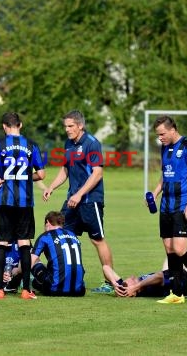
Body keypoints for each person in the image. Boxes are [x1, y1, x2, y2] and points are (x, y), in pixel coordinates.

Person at [0, 112, 46, 300]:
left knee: (1, 242)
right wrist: (26, 177)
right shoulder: (31, 145)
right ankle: (27, 290)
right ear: (20, 125)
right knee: (24, 242)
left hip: (2, 201)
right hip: (25, 202)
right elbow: (42, 174)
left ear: (4, 126)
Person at [42, 110, 114, 291]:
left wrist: (79, 194)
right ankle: (60, 278)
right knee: (60, 235)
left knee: (97, 240)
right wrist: (51, 187)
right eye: (65, 126)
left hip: (90, 200)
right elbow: (65, 170)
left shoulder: (92, 144)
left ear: (80, 125)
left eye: (70, 126)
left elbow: (97, 173)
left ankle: (109, 283)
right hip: (72, 201)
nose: (67, 129)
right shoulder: (68, 144)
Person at [151, 115, 187, 304]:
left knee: (180, 248)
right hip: (166, 205)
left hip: (184, 204)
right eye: (158, 135)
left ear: (172, 129)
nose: (160, 138)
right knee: (169, 248)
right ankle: (176, 294)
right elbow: (165, 174)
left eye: (162, 134)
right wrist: (155, 192)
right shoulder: (164, 148)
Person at [103, 244, 187, 298]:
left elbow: (106, 268)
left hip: (173, 273)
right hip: (186, 278)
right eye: (128, 282)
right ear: (133, 292)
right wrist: (137, 286)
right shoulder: (145, 288)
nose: (129, 278)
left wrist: (114, 283)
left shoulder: (126, 287)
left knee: (173, 250)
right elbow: (160, 276)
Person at [31, 211, 86, 297]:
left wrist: (15, 273)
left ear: (48, 222)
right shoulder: (73, 235)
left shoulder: (45, 236)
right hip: (79, 291)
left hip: (53, 289)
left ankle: (27, 284)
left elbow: (31, 260)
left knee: (36, 264)